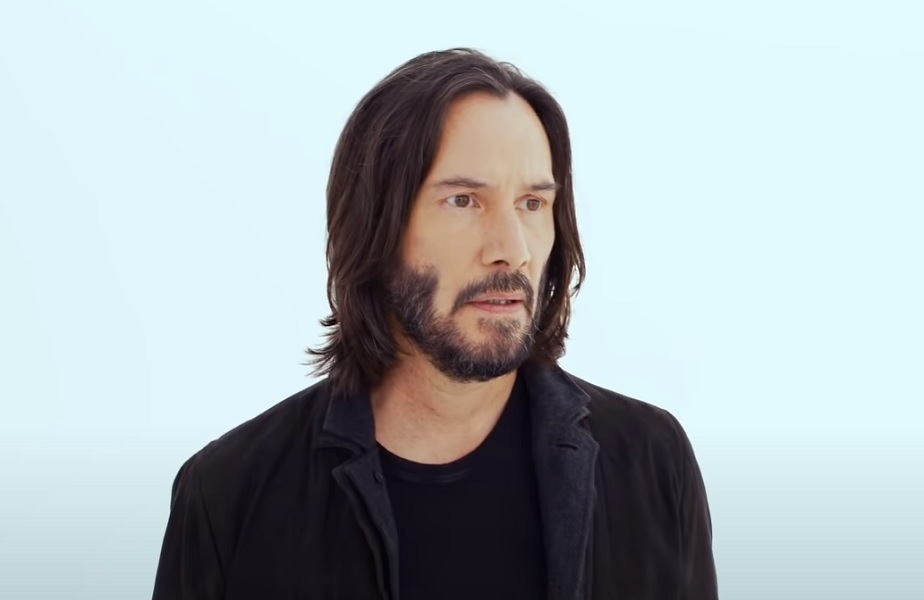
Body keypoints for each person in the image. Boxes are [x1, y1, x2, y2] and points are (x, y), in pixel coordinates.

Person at [151, 47, 718, 600]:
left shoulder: (650, 462)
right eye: (464, 201)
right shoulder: (230, 497)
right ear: (375, 226)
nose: (512, 250)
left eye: (532, 204)